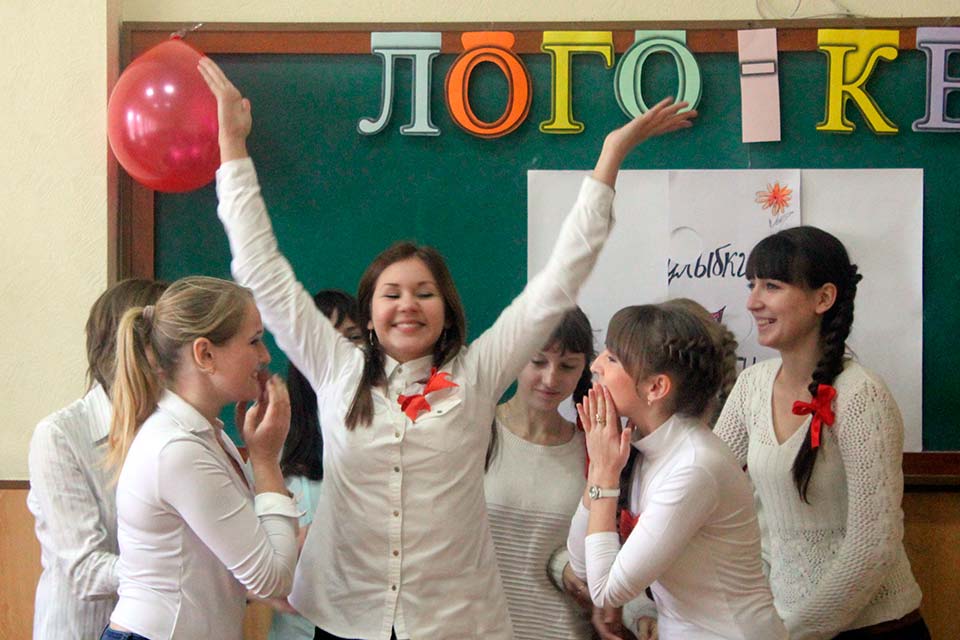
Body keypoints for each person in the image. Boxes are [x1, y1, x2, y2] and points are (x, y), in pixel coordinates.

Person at [200, 54, 696, 640]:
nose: (407, 305)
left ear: (446, 309)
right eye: (391, 294)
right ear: (370, 313)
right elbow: (260, 269)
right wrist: (232, 145)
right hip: (345, 617)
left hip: (452, 624)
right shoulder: (336, 368)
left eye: (424, 293)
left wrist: (610, 155)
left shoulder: (477, 372)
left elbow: (561, 277)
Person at [714, 226, 928, 640]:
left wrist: (793, 632)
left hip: (876, 629)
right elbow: (704, 482)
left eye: (772, 286)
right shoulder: (752, 386)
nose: (753, 301)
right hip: (785, 623)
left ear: (824, 298)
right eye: (751, 284)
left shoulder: (862, 395)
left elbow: (873, 545)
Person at [567, 302, 787, 640]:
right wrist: (600, 470)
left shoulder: (695, 466)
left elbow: (606, 591)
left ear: (656, 387)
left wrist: (604, 475)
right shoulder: (640, 446)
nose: (595, 365)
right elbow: (581, 564)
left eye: (613, 358)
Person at [102, 276, 300, 640]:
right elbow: (271, 579)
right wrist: (265, 459)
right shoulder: (178, 449)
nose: (265, 356)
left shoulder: (208, 435)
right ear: (205, 354)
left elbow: (254, 566)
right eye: (254, 341)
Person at [27, 279, 167, 640]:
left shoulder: (179, 430)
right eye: (171, 342)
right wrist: (180, 571)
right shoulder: (59, 435)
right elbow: (86, 570)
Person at [483, 307, 596, 639]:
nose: (550, 379)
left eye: (567, 366)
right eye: (538, 362)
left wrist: (569, 567)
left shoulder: (593, 450)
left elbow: (598, 550)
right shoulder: (474, 430)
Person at [270, 289, 363, 640]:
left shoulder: (392, 431)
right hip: (298, 628)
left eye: (353, 337)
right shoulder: (274, 436)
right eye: (326, 337)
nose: (341, 350)